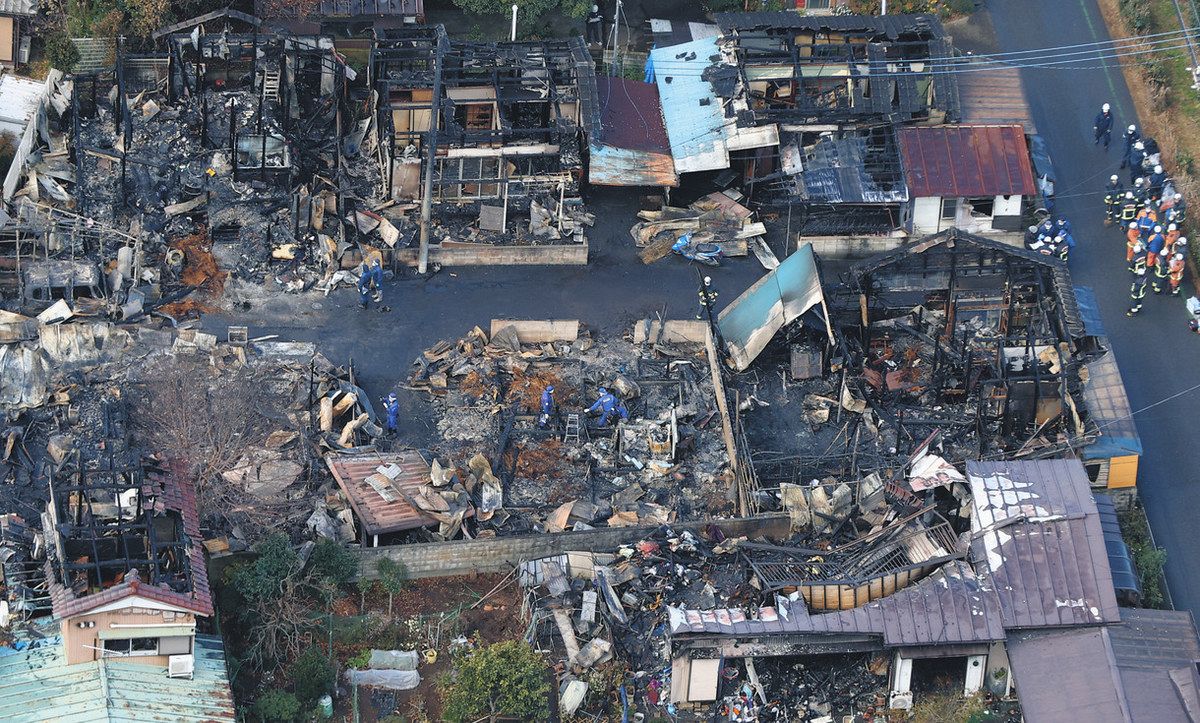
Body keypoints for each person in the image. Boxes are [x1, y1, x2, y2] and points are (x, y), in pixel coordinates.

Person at [1128, 242, 1148, 315]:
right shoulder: (1144, 254)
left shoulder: (1135, 258)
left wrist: (1132, 290)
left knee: (1134, 301)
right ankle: (1139, 307)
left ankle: (1134, 311)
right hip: (1142, 293)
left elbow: (1132, 264)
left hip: (1137, 293)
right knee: (1139, 301)